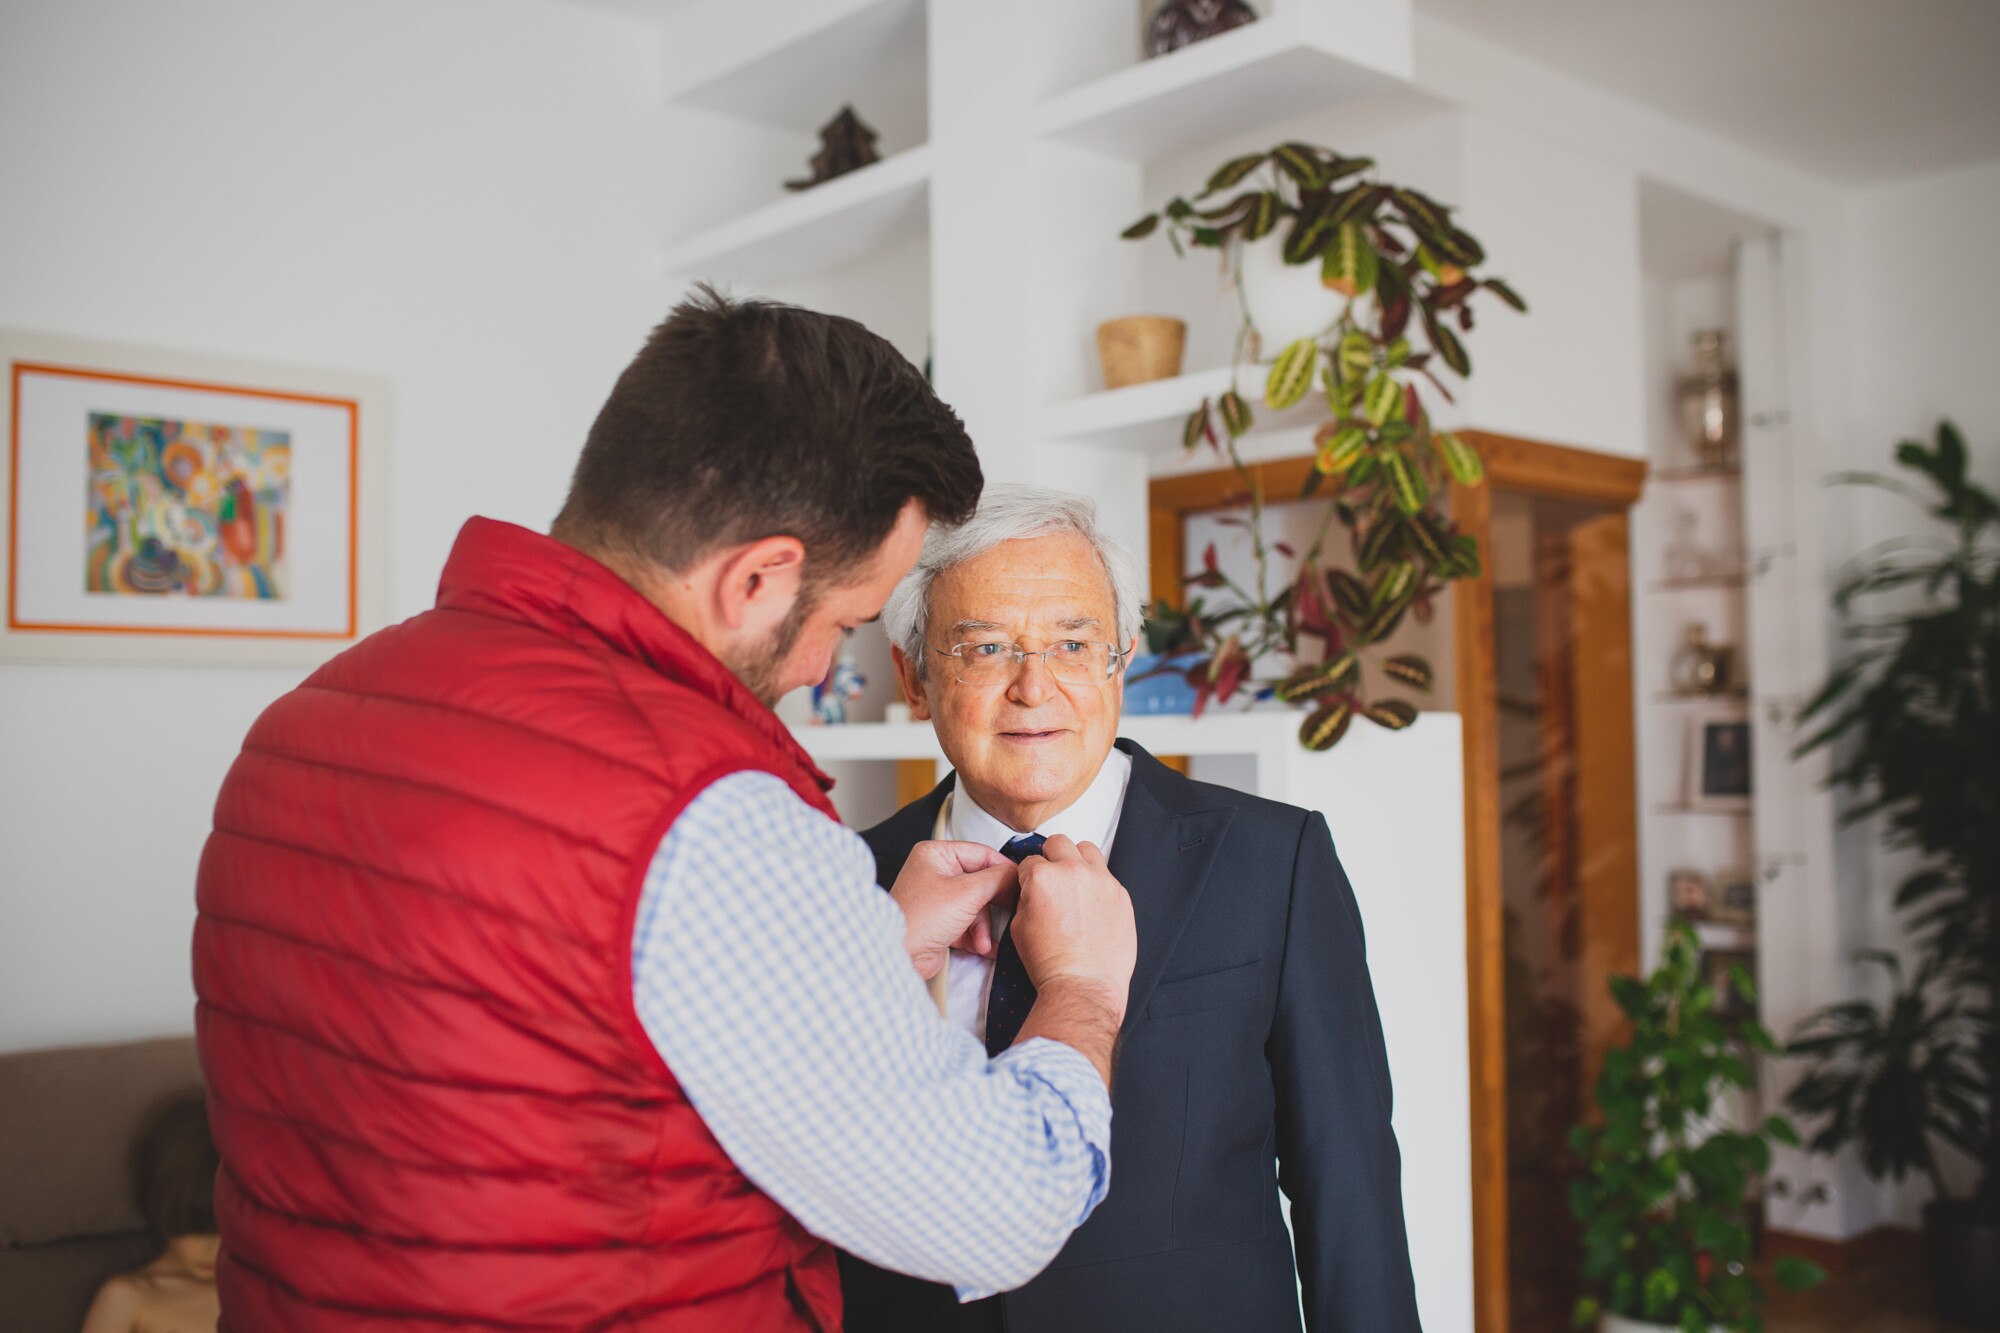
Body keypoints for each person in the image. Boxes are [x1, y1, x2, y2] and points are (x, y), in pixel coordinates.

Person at [191, 292, 1137, 1331]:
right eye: (847, 621)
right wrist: (1083, 989)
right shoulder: (705, 815)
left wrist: (847, 955)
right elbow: (995, 1212)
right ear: (757, 580)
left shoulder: (307, 718)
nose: (826, 664)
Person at [840, 485, 1422, 1331]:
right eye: (987, 647)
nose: (1034, 687)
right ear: (916, 677)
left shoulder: (1271, 860)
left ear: (1125, 660)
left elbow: (1349, 1187)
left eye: (1074, 644)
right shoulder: (847, 881)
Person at [80, 1094, 220, 1333]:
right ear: (163, 1210)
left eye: (223, 1231)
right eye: (193, 1229)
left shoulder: (260, 1287)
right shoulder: (128, 1297)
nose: (212, 1248)